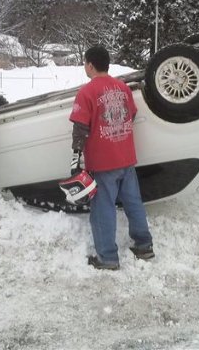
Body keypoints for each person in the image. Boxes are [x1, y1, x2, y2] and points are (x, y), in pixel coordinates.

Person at [69, 45, 154, 270]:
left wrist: (75, 161)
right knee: (133, 202)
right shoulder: (123, 88)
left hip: (103, 162)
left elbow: (80, 128)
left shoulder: (87, 92)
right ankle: (144, 246)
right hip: (126, 157)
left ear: (90, 64)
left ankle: (107, 258)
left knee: (103, 208)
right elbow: (132, 114)